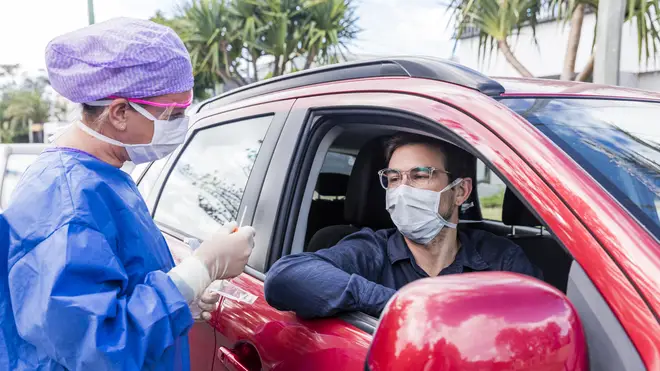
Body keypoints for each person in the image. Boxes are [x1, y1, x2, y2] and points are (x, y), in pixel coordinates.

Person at [0, 18, 255, 371]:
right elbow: (99, 349)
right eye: (173, 113)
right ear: (120, 112)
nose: (180, 124)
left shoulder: (103, 178)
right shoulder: (65, 201)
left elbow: (115, 288)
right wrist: (201, 269)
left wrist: (183, 295)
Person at [264, 133, 543, 319]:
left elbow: (539, 326)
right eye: (394, 178)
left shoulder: (500, 259)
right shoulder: (372, 249)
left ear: (460, 191)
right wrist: (400, 304)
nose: (402, 190)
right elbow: (284, 277)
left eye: (420, 175)